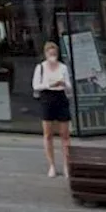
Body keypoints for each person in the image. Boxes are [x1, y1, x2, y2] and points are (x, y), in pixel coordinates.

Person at [31, 41, 73, 178]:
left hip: (60, 97)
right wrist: (49, 84)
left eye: (54, 54)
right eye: (50, 54)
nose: (52, 56)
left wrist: (64, 84)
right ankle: (52, 166)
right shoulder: (41, 68)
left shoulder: (63, 68)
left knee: (65, 135)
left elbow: (69, 87)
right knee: (48, 134)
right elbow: (36, 86)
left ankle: (66, 165)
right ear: (45, 54)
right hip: (47, 98)